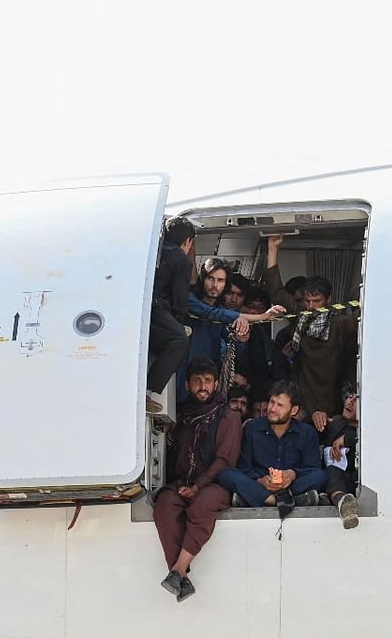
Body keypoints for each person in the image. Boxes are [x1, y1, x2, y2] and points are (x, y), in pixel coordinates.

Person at [153, 357, 241, 602]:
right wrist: (186, 486)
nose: (203, 386)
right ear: (186, 385)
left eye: (208, 381)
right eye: (197, 381)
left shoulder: (228, 417)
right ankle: (181, 576)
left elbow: (225, 460)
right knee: (164, 504)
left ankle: (178, 570)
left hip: (215, 485)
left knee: (203, 505)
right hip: (181, 483)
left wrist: (198, 486)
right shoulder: (179, 415)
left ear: (215, 385)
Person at [263, 234, 358, 427]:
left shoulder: (341, 323)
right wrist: (273, 249)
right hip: (304, 402)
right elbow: (276, 291)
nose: (311, 306)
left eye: (317, 301)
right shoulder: (301, 316)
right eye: (307, 301)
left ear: (328, 300)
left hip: (332, 399)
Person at [177, 258, 284, 400]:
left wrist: (241, 337)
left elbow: (231, 347)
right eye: (211, 278)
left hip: (208, 379)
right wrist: (262, 317)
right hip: (181, 373)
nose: (215, 285)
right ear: (203, 279)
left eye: (220, 281)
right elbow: (212, 313)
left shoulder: (224, 313)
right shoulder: (190, 300)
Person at [218, 381, 326, 509]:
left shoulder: (307, 433)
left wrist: (291, 474)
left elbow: (313, 469)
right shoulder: (252, 428)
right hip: (259, 484)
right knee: (225, 474)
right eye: (272, 402)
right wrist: (261, 481)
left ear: (294, 410)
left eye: (280, 405)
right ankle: (275, 500)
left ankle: (255, 498)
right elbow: (244, 468)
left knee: (321, 476)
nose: (272, 409)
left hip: (291, 484)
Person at [147, 217, 195, 413]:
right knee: (179, 340)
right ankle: (147, 391)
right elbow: (180, 299)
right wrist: (179, 322)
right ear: (187, 241)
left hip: (143, 309)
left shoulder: (152, 251)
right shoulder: (181, 260)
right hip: (157, 307)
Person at [320, 386, 360, 529]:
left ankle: (343, 503)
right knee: (331, 470)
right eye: (350, 397)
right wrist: (315, 415)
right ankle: (342, 503)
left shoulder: (368, 430)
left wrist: (349, 438)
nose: (350, 402)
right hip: (332, 481)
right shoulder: (336, 423)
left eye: (356, 400)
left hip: (355, 484)